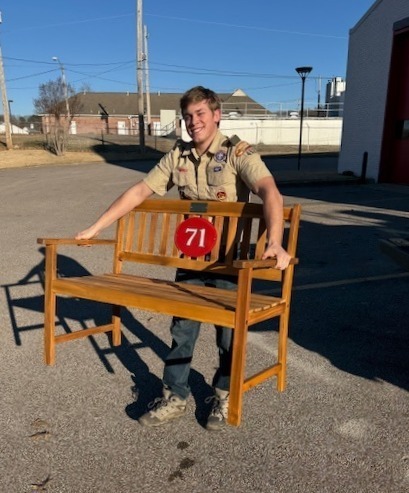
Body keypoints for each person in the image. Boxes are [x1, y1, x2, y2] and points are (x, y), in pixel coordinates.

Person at [76, 86, 291, 430]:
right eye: (188, 116)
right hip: (190, 261)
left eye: (201, 114)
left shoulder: (237, 152)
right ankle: (175, 396)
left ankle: (224, 395)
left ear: (216, 115)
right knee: (182, 331)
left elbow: (269, 191)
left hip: (229, 263)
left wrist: (276, 242)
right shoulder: (178, 156)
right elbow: (139, 191)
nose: (194, 122)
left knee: (228, 335)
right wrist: (96, 227)